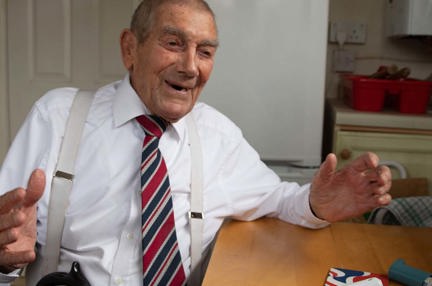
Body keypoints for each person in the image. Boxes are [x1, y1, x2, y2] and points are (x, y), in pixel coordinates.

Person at [0, 0, 392, 285]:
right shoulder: (57, 117)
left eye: (205, 52)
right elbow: (8, 236)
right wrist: (4, 259)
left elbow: (279, 199)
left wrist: (317, 203)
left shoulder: (218, 137)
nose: (190, 66)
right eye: (173, 43)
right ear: (130, 48)